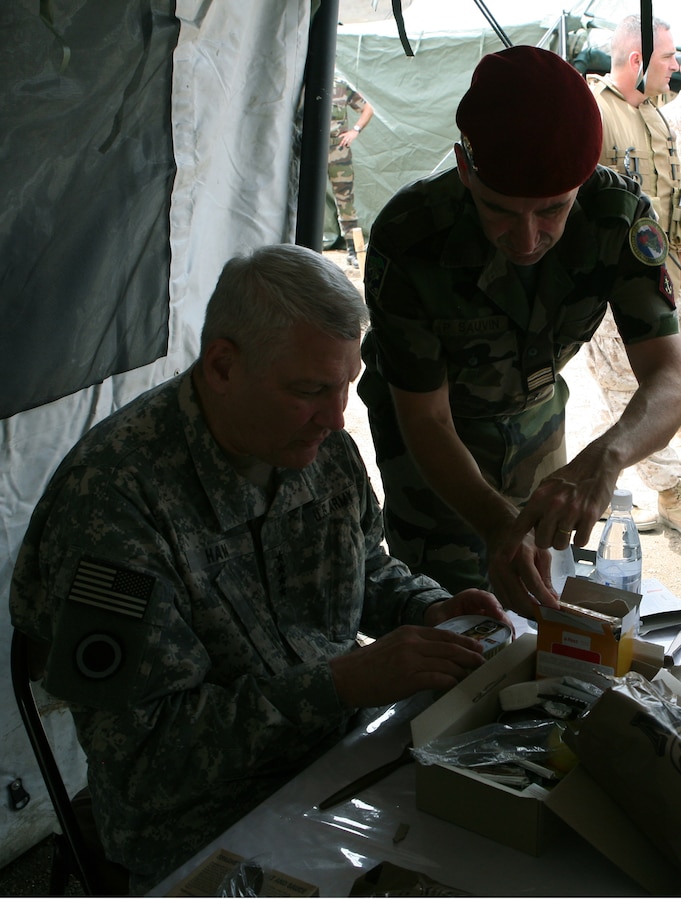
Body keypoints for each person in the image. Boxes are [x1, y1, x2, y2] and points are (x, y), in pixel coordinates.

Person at [9, 243, 510, 894]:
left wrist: (424, 607)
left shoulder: (316, 446)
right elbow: (146, 760)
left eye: (345, 387)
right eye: (309, 390)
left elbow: (364, 568)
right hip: (202, 818)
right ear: (221, 366)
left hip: (340, 756)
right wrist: (338, 685)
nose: (335, 417)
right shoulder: (113, 509)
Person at [358, 46, 681, 620]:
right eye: (500, 211)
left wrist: (605, 458)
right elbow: (425, 420)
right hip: (434, 444)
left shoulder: (615, 216)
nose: (528, 238)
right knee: (459, 611)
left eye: (553, 210)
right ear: (464, 167)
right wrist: (497, 525)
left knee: (545, 597)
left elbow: (672, 376)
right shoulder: (412, 239)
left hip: (535, 418)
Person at [585, 14, 681, 533]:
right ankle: (672, 492)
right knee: (632, 387)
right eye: (669, 57)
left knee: (624, 389)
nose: (677, 65)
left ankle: (594, 479)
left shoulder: (656, 114)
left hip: (662, 279)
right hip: (614, 291)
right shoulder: (596, 113)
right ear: (639, 61)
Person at [329, 74, 374, 267]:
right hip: (306, 149)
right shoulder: (300, 84)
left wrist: (355, 130)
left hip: (337, 150)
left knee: (345, 200)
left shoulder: (340, 85)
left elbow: (368, 108)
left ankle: (352, 251)